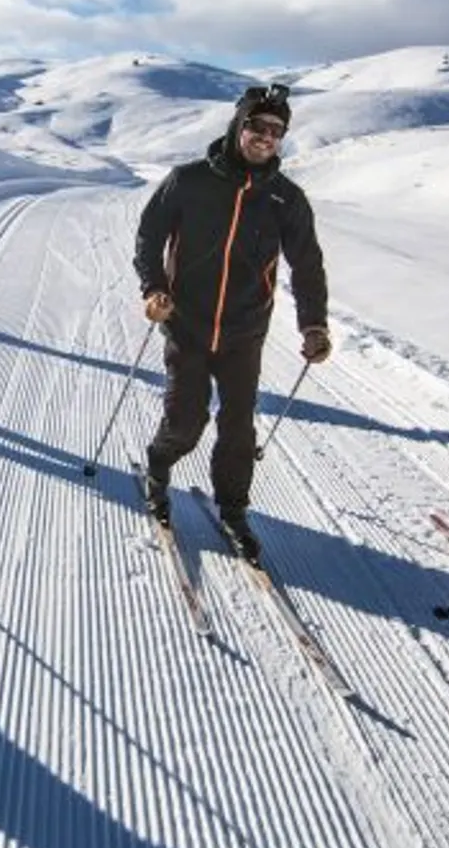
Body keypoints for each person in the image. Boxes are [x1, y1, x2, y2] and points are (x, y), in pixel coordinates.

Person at [133, 84, 333, 560]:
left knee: (239, 428)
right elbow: (149, 235)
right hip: (188, 323)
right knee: (187, 421)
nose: (266, 137)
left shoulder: (286, 198)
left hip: (246, 330)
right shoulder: (188, 180)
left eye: (276, 131)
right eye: (257, 126)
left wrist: (314, 324)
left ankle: (233, 508)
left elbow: (307, 263)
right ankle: (159, 466)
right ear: (238, 125)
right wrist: (154, 287)